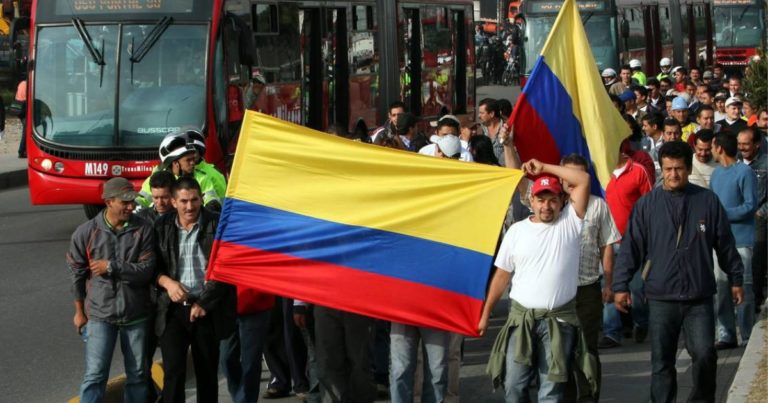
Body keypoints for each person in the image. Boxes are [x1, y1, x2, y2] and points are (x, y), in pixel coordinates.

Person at [613, 141, 744, 403]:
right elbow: (631, 248)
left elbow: (725, 243)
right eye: (669, 169)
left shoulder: (707, 201)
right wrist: (620, 285)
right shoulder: (647, 205)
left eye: (679, 169)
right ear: (662, 169)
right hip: (661, 296)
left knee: (706, 354)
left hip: (699, 296)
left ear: (688, 168)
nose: (674, 174)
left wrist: (736, 279)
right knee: (662, 361)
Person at [480, 157, 594, 402]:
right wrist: (486, 314)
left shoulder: (570, 222)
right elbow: (501, 276)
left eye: (553, 199)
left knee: (551, 391)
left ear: (563, 201)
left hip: (558, 321)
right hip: (521, 320)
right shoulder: (516, 231)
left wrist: (543, 168)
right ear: (531, 201)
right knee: (513, 385)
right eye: (541, 199)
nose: (546, 206)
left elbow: (583, 179)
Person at [68, 177, 155, 403]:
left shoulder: (143, 229)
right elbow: (77, 275)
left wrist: (112, 266)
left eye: (132, 201)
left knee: (137, 374)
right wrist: (79, 312)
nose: (130, 206)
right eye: (124, 202)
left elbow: (146, 270)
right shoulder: (85, 233)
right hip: (99, 316)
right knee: (95, 375)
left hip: (136, 314)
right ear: (108, 202)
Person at [154, 177, 236, 403]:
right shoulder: (161, 226)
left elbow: (225, 270)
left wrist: (204, 304)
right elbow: (152, 268)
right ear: (173, 202)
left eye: (194, 200)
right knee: (173, 373)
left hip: (206, 309)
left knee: (207, 374)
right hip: (173, 311)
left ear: (201, 199)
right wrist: (167, 283)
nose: (189, 207)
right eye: (183, 201)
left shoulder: (216, 225)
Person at [557, 154, 621, 402]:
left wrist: (609, 283)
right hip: (558, 293)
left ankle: (589, 396)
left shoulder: (598, 205)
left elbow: (606, 245)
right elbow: (521, 186)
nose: (571, 181)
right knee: (561, 352)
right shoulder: (550, 204)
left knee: (586, 350)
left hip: (587, 290)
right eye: (567, 175)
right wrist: (508, 145)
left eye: (578, 175)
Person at [601, 141, 653, 348]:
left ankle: (642, 321)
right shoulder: (600, 172)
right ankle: (611, 332)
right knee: (608, 285)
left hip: (633, 241)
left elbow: (650, 206)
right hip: (606, 242)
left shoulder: (638, 171)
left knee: (637, 288)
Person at [710, 132, 758, 348]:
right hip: (719, 242)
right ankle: (726, 334)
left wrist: (723, 214)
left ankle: (747, 334)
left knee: (744, 289)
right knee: (721, 289)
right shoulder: (716, 174)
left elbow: (750, 205)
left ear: (719, 147)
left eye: (712, 145)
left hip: (741, 241)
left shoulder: (745, 172)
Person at [137, 130, 226, 211]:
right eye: (188, 160)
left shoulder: (201, 177)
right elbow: (142, 200)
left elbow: (210, 197)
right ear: (176, 163)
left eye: (193, 159)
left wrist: (212, 204)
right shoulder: (159, 178)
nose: (193, 163)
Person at [737, 127, 767, 311]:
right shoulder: (734, 163)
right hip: (736, 219)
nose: (742, 148)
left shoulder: (766, 164)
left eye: (746, 144)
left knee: (756, 261)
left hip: (757, 219)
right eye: (739, 144)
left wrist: (761, 212)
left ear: (756, 144)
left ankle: (755, 298)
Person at [478, 98, 505, 164]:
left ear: (492, 114)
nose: (479, 116)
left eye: (482, 113)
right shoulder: (479, 129)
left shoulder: (506, 129)